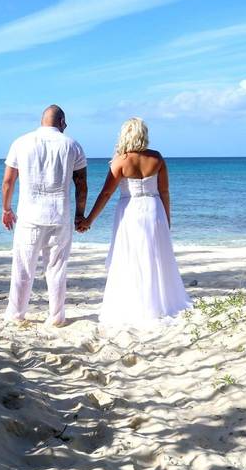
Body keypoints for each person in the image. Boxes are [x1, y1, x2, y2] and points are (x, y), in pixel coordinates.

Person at [77, 118, 191, 325]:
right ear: (143, 134)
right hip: (154, 209)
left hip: (130, 212)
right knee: (155, 257)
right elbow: (164, 192)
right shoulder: (157, 158)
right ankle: (158, 302)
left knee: (130, 256)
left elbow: (106, 194)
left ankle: (135, 303)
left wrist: (88, 220)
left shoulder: (120, 160)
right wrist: (166, 219)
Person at [2, 105, 88, 326]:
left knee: (22, 268)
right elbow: (81, 185)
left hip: (29, 217)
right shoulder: (72, 145)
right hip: (60, 215)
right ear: (61, 122)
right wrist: (80, 215)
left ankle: (16, 314)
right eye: (65, 123)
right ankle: (56, 316)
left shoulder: (21, 143)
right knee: (57, 269)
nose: (66, 127)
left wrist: (6, 209)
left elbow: (8, 181)